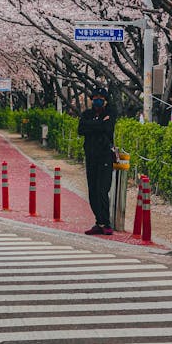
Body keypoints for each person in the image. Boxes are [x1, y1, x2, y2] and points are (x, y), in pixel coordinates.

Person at [78, 87, 116, 235]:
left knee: (102, 190)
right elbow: (81, 129)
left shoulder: (110, 114)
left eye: (100, 99)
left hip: (105, 156)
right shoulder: (87, 114)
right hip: (91, 156)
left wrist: (92, 125)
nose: (97, 101)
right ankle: (98, 222)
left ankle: (106, 223)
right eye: (95, 99)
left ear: (105, 101)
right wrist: (99, 124)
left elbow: (108, 128)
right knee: (92, 190)